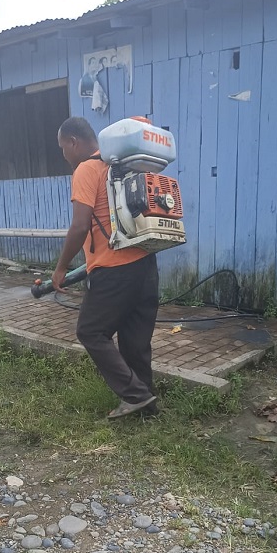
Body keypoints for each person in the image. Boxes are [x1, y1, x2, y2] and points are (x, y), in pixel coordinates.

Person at [53, 116, 160, 419]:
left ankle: (136, 395)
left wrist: (61, 268)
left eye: (63, 148)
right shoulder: (122, 166)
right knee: (135, 341)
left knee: (90, 331)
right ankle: (146, 407)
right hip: (146, 264)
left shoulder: (87, 169)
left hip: (113, 269)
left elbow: (79, 226)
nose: (64, 155)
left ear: (73, 142)